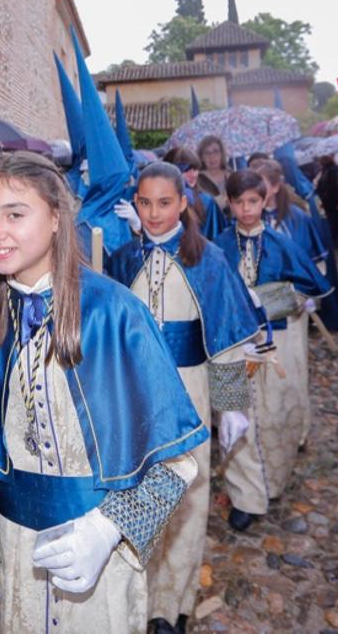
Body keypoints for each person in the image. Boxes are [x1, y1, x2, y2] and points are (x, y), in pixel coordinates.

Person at [0, 153, 205, 632]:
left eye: (14, 214)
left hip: (96, 561)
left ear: (55, 219)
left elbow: (176, 463)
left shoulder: (114, 314)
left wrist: (108, 529)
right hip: (16, 554)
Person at [107, 162, 263, 634]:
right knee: (132, 489)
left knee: (188, 492)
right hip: (131, 393)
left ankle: (170, 605)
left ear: (183, 202)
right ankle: (135, 597)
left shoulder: (208, 259)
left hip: (189, 390)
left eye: (165, 202)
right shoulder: (119, 261)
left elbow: (229, 334)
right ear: (135, 204)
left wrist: (232, 404)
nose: (154, 214)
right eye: (145, 203)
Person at [213, 170, 331, 532]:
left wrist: (271, 300)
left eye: (253, 201)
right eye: (239, 202)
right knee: (236, 413)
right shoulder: (218, 246)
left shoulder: (282, 244)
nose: (246, 209)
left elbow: (312, 291)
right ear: (229, 204)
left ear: (264, 201)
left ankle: (273, 482)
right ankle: (244, 494)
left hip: (275, 343)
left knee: (274, 411)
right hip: (234, 345)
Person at [162, 147, 226, 241]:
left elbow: (216, 240)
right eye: (186, 170)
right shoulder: (157, 202)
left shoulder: (207, 202)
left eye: (195, 169)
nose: (193, 175)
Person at [196, 135, 230, 211]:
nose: (212, 156)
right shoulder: (197, 179)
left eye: (216, 151)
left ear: (222, 154)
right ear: (201, 158)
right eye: (207, 153)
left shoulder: (231, 176)